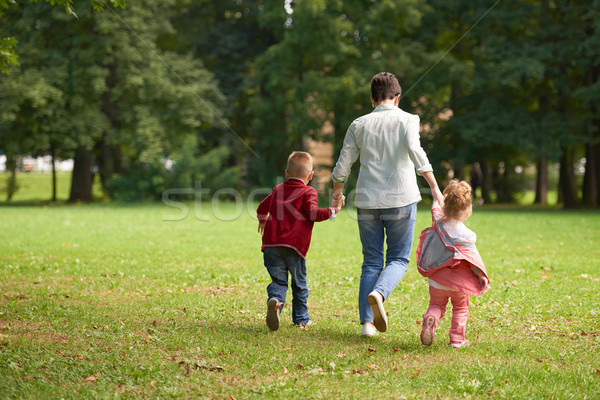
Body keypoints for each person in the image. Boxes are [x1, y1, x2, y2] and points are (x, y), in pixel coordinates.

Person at [330, 72, 444, 337]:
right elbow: (418, 154)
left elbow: (342, 166)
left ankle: (367, 325)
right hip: (401, 200)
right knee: (398, 258)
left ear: (372, 99)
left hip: (367, 200)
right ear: (398, 96)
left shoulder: (358, 124)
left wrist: (337, 194)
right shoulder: (408, 119)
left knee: (371, 261)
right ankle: (379, 294)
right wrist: (435, 189)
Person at [257, 151, 339, 331]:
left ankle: (276, 301)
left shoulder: (278, 189)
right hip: (295, 247)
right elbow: (313, 214)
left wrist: (263, 220)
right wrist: (333, 211)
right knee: (299, 284)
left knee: (278, 281)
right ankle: (301, 319)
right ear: (310, 175)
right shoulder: (309, 191)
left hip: (271, 245)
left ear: (287, 173)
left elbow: (262, 207)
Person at [416, 180, 490, 348]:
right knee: (460, 308)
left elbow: (435, 205)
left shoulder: (438, 221)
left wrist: (437, 196)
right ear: (467, 210)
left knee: (436, 305)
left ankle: (431, 318)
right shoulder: (467, 236)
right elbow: (473, 259)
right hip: (458, 284)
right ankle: (457, 339)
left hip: (437, 280)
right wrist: (480, 274)